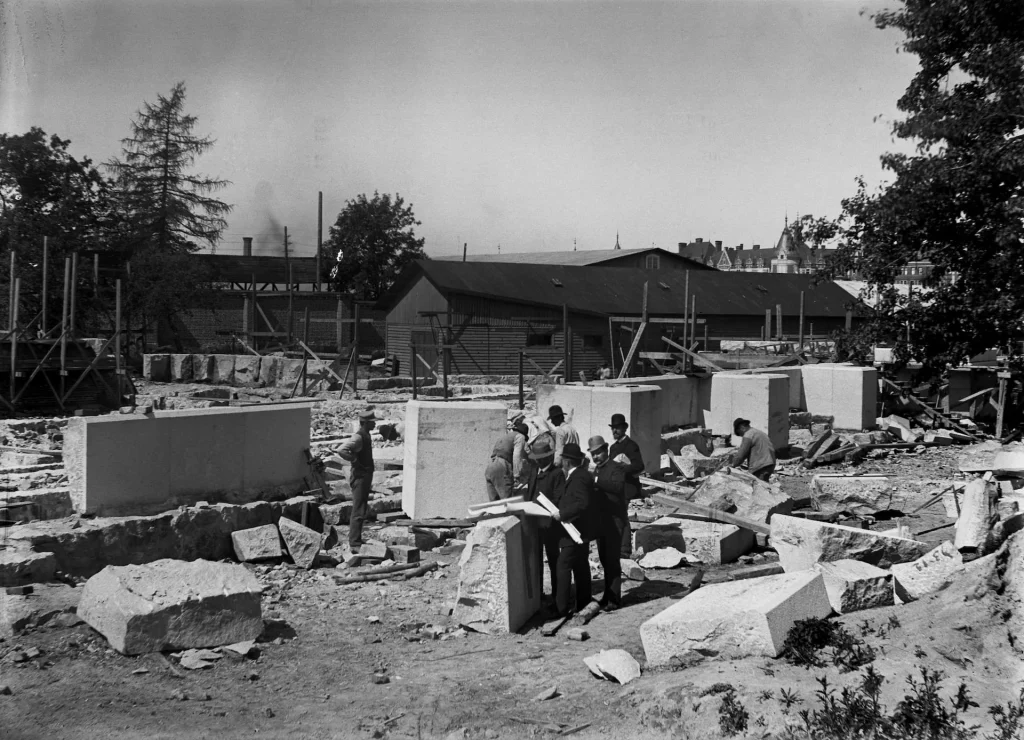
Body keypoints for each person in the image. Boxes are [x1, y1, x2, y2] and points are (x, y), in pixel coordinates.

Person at [550, 442, 597, 617]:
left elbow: (582, 503)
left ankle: (560, 608)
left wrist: (562, 514)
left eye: (563, 460)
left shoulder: (579, 477)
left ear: (567, 461)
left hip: (575, 531)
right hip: (579, 531)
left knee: (563, 565)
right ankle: (583, 601)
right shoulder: (579, 475)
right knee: (580, 565)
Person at [525, 438, 566, 607]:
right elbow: (530, 492)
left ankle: (557, 595)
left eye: (541, 458)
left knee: (554, 558)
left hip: (550, 525)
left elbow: (558, 498)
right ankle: (538, 593)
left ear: (548, 458)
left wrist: (544, 509)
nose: (539, 461)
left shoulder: (557, 474)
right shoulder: (535, 471)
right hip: (535, 524)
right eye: (537, 458)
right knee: (536, 560)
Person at [588, 435, 627, 610]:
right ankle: (607, 595)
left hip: (615, 521)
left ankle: (614, 599)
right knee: (604, 559)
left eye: (598, 453)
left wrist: (595, 481)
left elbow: (617, 488)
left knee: (612, 560)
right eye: (593, 454)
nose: (595, 457)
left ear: (605, 451)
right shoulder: (597, 470)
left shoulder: (616, 468)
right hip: (601, 521)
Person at [337, 407, 377, 552]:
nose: (375, 424)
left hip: (364, 477)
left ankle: (356, 539)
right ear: (365, 423)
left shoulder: (366, 435)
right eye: (372, 422)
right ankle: (354, 543)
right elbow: (341, 450)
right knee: (358, 510)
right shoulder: (359, 437)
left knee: (361, 508)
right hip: (360, 477)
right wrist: (353, 459)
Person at [608, 413, 644, 557]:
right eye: (613, 428)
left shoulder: (631, 446)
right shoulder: (612, 447)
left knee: (622, 517)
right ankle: (617, 548)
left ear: (624, 428)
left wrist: (622, 467)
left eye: (617, 428)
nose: (615, 431)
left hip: (627, 488)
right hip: (615, 487)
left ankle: (624, 550)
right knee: (616, 517)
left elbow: (639, 466)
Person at [484, 434, 515, 501]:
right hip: (501, 466)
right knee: (507, 501)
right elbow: (517, 456)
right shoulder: (520, 437)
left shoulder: (503, 438)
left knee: (494, 502)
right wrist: (517, 474)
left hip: (491, 465)